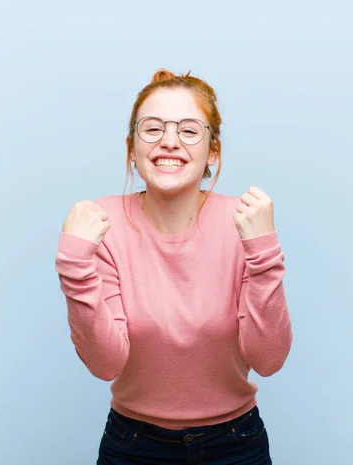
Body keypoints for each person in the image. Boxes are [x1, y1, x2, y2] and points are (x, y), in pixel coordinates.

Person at [55, 69, 293, 465]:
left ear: (212, 152)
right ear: (132, 148)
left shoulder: (245, 221)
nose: (169, 141)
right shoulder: (103, 224)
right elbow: (105, 364)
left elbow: (268, 360)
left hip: (236, 443)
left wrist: (264, 254)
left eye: (188, 130)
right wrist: (73, 267)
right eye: (152, 129)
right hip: (133, 445)